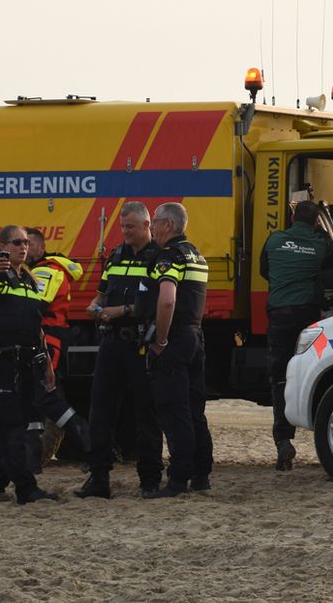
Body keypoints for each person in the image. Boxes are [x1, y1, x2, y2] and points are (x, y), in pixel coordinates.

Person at [74, 202, 165, 499]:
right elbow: (102, 291)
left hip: (140, 343)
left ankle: (150, 480)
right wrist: (94, 306)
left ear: (146, 225)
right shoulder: (115, 254)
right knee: (100, 411)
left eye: (131, 227)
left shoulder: (158, 258)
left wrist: (120, 310)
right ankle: (99, 479)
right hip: (111, 342)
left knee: (146, 413)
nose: (125, 232)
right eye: (123, 226)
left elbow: (153, 304)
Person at [0, 225, 58, 505]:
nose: (23, 247)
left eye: (26, 243)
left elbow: (36, 326)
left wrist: (48, 365)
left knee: (12, 428)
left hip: (26, 363)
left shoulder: (29, 280)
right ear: (3, 245)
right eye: (17, 242)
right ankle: (26, 489)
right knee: (11, 429)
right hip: (1, 364)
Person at [142, 202, 212, 499]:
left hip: (176, 339)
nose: (152, 228)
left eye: (155, 222)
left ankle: (178, 479)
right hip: (196, 337)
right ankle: (201, 475)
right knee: (196, 411)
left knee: (174, 411)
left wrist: (160, 339)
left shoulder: (169, 256)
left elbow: (167, 300)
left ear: (168, 225)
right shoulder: (197, 255)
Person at [260, 201, 333, 471]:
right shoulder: (320, 244)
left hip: (279, 315)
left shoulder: (274, 239)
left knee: (279, 378)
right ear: (316, 222)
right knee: (309, 374)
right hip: (307, 317)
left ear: (292, 217)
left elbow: (264, 271)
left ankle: (283, 441)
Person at [25, 228, 91, 472]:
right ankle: (31, 461)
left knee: (46, 397)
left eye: (29, 244)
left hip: (46, 340)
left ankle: (85, 436)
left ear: (42, 248)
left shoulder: (47, 270)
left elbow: (35, 306)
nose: (24, 248)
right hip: (38, 340)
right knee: (33, 401)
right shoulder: (35, 271)